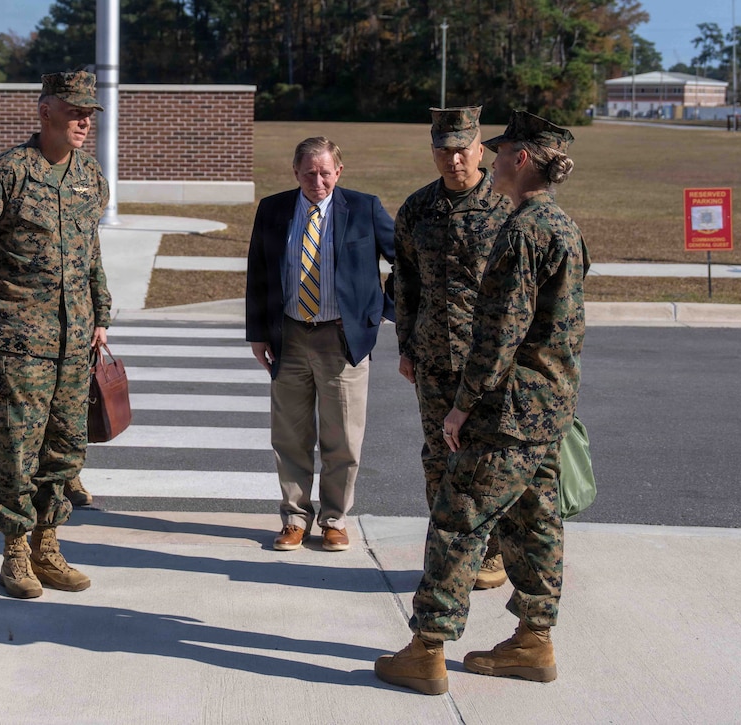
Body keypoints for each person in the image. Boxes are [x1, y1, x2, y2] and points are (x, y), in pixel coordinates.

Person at [374, 111, 589, 695]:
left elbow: (501, 333)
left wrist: (462, 405)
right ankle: (534, 639)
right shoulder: (561, 224)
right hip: (547, 404)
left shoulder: (521, 229)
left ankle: (427, 650)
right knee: (534, 516)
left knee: (457, 517)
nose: (486, 161)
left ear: (522, 158)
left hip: (506, 405)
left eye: (496, 153)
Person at [0, 70, 111, 599]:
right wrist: (8, 306)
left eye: (90, 112)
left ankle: (48, 545)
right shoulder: (6, 175)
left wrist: (100, 316)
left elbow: (91, 255)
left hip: (75, 341)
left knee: (65, 448)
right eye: (74, 110)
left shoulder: (90, 177)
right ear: (45, 111)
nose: (84, 120)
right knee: (18, 446)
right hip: (22, 342)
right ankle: (15, 553)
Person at [246, 136, 395, 553]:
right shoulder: (274, 209)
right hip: (289, 336)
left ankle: (334, 519)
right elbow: (258, 272)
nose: (318, 181)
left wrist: (382, 310)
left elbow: (408, 261)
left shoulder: (364, 208)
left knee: (342, 438)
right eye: (309, 173)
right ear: (296, 173)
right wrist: (257, 333)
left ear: (339, 172)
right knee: (290, 436)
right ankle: (295, 517)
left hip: (343, 339)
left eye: (325, 172)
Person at [392, 106, 513, 590]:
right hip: (434, 361)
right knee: (439, 460)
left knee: (491, 463)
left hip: (490, 365)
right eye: (443, 150)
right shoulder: (418, 209)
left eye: (462, 149)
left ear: (480, 149)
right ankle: (447, 557)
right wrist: (406, 346)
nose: (453, 160)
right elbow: (405, 283)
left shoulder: (507, 206)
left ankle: (493, 554)